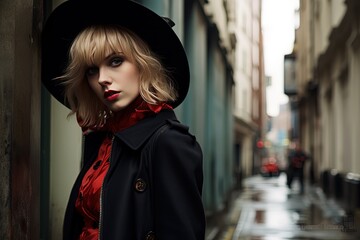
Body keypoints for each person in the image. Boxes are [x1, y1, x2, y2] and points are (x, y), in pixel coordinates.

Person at [41, 0, 205, 239]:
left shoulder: (169, 143)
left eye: (115, 61)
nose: (102, 79)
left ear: (144, 64)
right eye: (91, 70)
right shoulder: (103, 141)